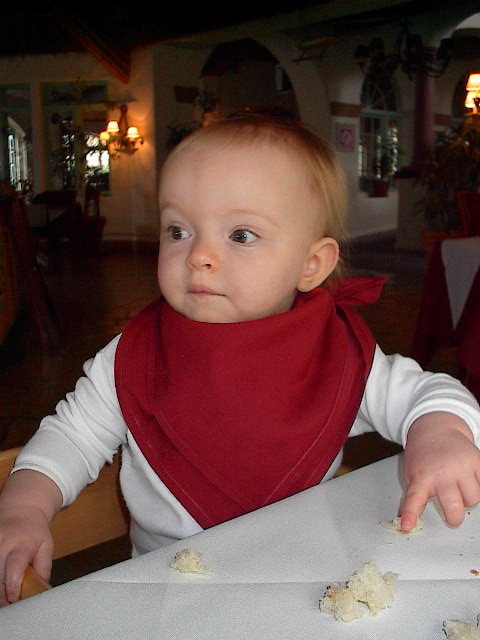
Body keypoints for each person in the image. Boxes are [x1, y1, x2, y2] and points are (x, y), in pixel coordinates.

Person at [1, 113, 480, 606]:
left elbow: (430, 392)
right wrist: (24, 506)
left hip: (305, 588)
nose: (198, 256)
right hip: (165, 594)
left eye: (241, 235)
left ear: (311, 264)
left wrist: (440, 434)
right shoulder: (134, 356)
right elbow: (71, 436)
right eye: (178, 231)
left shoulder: (334, 355)